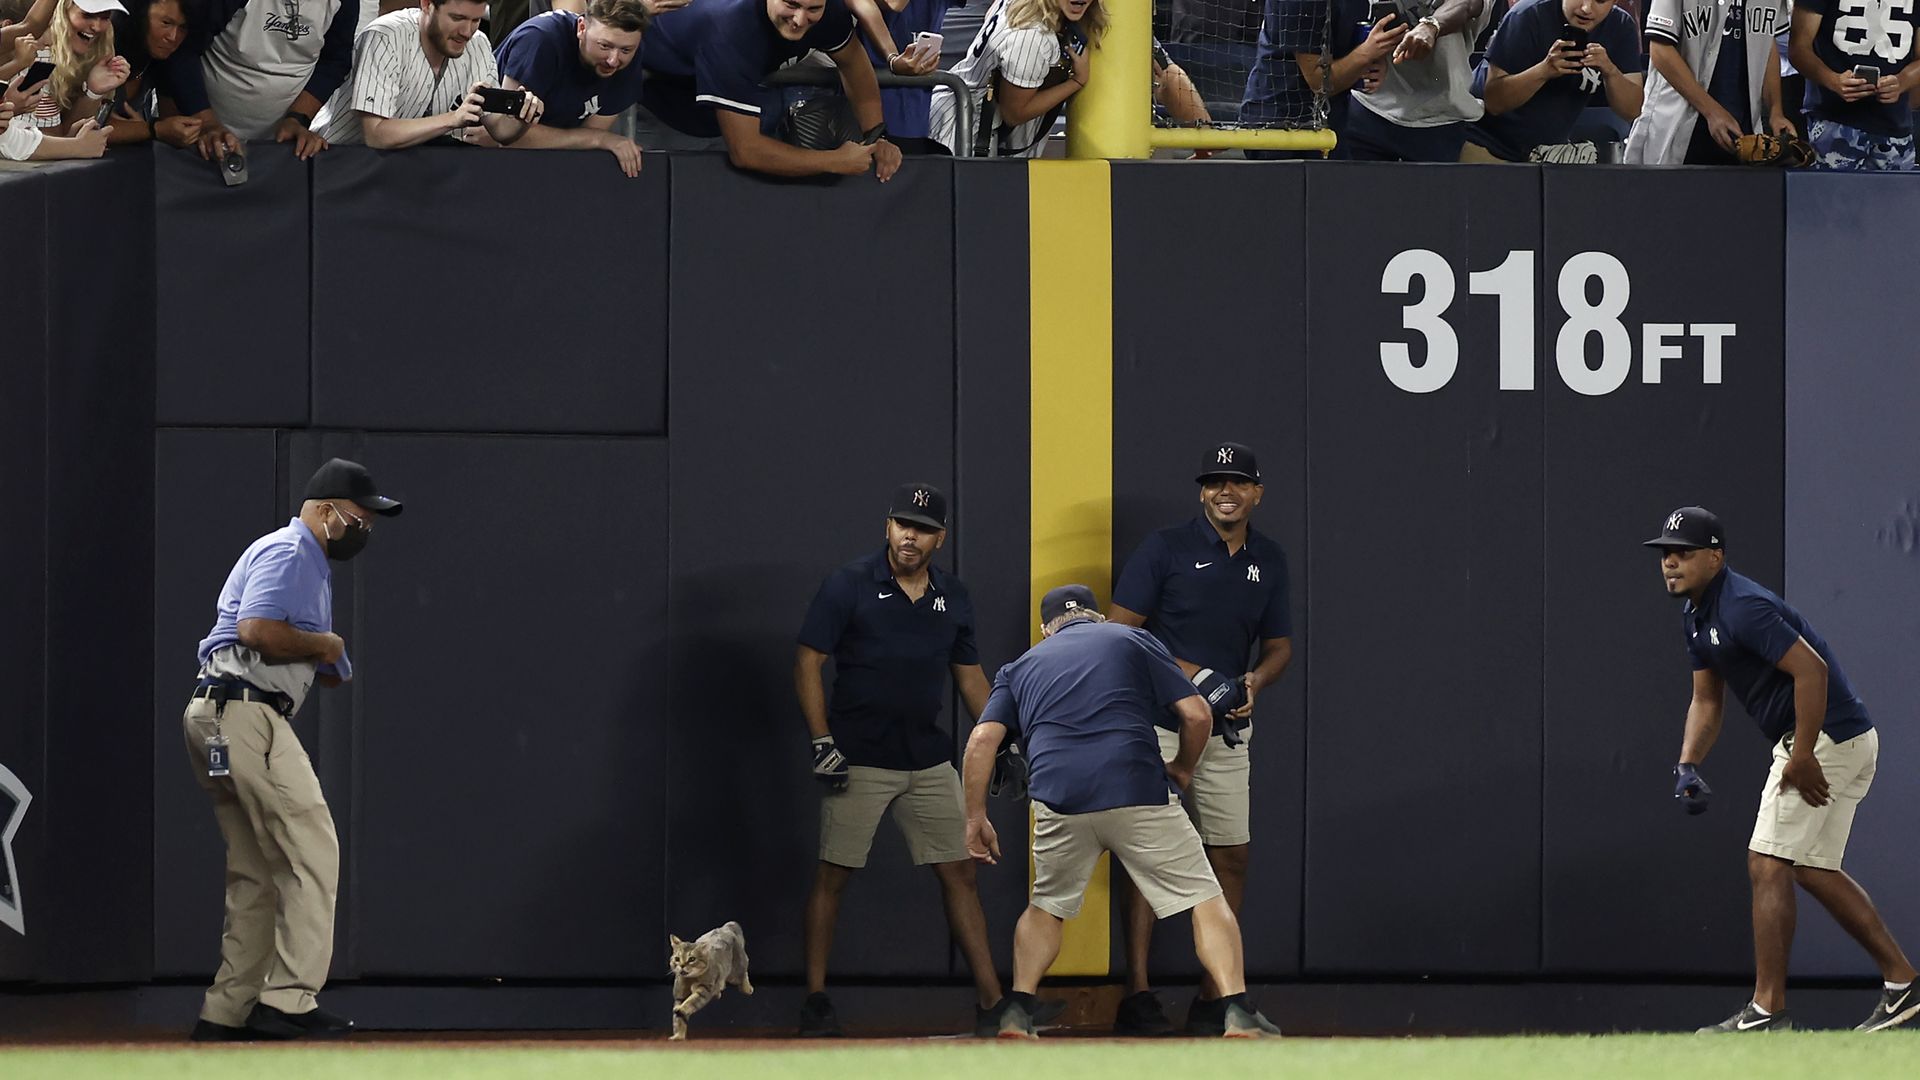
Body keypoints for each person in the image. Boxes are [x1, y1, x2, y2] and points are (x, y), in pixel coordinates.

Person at [960, 585, 1284, 1040]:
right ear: (1096, 617)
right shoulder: (1130, 638)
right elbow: (1196, 714)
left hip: (1058, 798)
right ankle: (1236, 1012)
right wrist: (1184, 769)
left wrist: (975, 817)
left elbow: (980, 741)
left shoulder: (1021, 666)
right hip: (1136, 788)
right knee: (1204, 898)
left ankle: (1018, 1009)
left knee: (1046, 905)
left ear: (1044, 629)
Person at [1646, 506, 1918, 1034]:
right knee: (1810, 866)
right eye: (1664, 554)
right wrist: (1687, 763)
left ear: (1715, 557)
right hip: (1842, 737)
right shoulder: (1696, 615)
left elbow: (1811, 671)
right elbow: (1706, 699)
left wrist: (1804, 754)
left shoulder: (1743, 606)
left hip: (1825, 738)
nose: (1671, 562)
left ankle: (1766, 1012)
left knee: (1766, 862)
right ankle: (1904, 984)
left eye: (1683, 552)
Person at [182, 459, 402, 1042]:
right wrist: (326, 642)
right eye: (359, 517)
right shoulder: (293, 551)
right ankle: (287, 1000)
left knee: (254, 870)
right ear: (327, 510)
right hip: (245, 712)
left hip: (218, 714)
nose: (364, 529)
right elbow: (256, 630)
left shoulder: (295, 557)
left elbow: (318, 659)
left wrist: (324, 652)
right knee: (313, 847)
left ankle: (227, 1011)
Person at [794, 483, 1005, 1038]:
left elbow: (970, 678)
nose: (910, 536)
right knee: (834, 875)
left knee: (960, 872)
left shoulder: (953, 596)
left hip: (928, 758)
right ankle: (815, 997)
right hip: (859, 756)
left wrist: (1003, 740)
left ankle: (993, 1004)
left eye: (922, 528)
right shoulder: (849, 584)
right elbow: (808, 662)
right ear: (887, 526)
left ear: (941, 536)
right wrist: (822, 740)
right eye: (901, 525)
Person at [1106, 441, 1292, 1037]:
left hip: (1227, 726)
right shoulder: (1166, 548)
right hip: (1158, 720)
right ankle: (1137, 992)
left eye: (1237, 483)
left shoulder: (1270, 558)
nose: (1225, 492)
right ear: (1201, 491)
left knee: (1231, 850)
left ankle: (1218, 996)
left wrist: (1253, 682)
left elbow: (1279, 644)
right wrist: (1194, 675)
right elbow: (1117, 633)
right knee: (1146, 855)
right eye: (1214, 482)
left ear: (1257, 492)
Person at [634, 0, 903, 181]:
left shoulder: (827, 9)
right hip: (662, 111)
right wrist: (834, 161)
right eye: (791, 4)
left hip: (749, 101)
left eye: (813, 8)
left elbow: (854, 63)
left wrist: (876, 135)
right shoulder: (731, 28)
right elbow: (746, 151)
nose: (799, 19)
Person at [313, 0, 547, 148]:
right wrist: (453, 119)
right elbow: (377, 135)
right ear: (426, 4)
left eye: (475, 20)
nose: (466, 31)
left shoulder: (478, 44)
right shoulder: (385, 35)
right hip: (337, 161)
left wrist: (521, 120)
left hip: (409, 174)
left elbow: (500, 132)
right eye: (457, 18)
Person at [169, 0, 361, 162]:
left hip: (280, 146)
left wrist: (298, 119)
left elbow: (335, 61)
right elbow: (182, 50)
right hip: (200, 135)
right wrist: (207, 122)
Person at [1464, 0, 1642, 162]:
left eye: (1601, 1)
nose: (1587, 8)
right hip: (1485, 144)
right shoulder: (1527, 15)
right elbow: (1494, 101)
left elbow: (1632, 110)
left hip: (1544, 155)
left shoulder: (1621, 26)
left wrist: (1610, 70)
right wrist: (1544, 70)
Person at [1622, 0, 1793, 164]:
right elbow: (1660, 50)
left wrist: (1775, 111)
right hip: (1678, 126)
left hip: (1742, 134)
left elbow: (1767, 43)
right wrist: (1712, 111)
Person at [493, 0, 648, 176]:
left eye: (626, 50)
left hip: (552, 158)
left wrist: (593, 138)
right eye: (604, 46)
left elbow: (588, 136)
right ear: (581, 28)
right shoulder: (540, 40)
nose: (613, 60)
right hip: (475, 152)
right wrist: (599, 140)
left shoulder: (627, 59)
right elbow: (507, 137)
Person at [930, 0, 1103, 157]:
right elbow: (1014, 113)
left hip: (955, 113)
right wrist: (1077, 81)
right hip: (959, 133)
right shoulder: (1033, 35)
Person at [1241, 0, 1404, 159]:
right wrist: (1365, 55)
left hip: (1330, 123)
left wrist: (1371, 63)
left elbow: (1343, 46)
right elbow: (1319, 82)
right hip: (1278, 128)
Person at [1342, 0, 1493, 161]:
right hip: (1369, 112)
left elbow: (1468, 3)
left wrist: (1431, 26)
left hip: (1439, 119)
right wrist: (1366, 54)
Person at [1787, 0, 1919, 171]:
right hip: (1833, 119)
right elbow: (1798, 47)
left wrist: (1902, 81)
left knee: (1896, 197)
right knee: (1829, 195)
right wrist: (1832, 80)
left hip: (1896, 123)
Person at [99, 0, 205, 147]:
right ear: (140, 15)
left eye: (183, 27)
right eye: (166, 23)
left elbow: (170, 120)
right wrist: (152, 129)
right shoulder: (103, 47)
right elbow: (89, 125)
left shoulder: (160, 59)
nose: (173, 37)